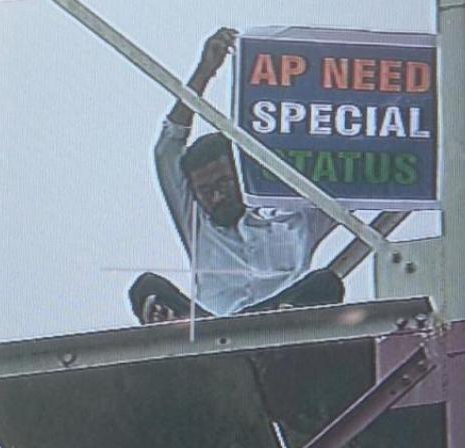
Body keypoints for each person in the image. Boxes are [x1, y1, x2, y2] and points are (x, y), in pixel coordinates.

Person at [129, 27, 344, 324]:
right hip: (212, 324)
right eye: (205, 191)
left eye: (223, 184)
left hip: (280, 311)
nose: (216, 197)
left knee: (326, 282)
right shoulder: (198, 224)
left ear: (242, 175)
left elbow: (357, 183)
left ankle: (283, 323)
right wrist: (205, 71)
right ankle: (181, 328)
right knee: (146, 287)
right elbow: (168, 147)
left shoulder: (295, 219)